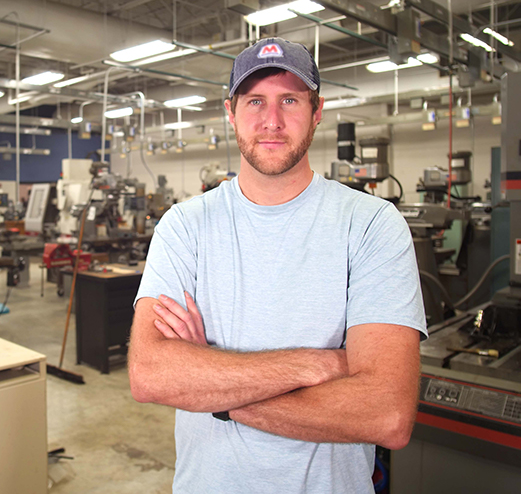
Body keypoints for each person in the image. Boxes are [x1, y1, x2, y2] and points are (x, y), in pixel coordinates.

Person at [128, 37, 427, 493]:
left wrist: (215, 389)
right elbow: (151, 375)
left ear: (317, 109)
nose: (271, 120)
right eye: (254, 101)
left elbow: (386, 414)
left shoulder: (371, 225)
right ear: (230, 112)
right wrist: (319, 364)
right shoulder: (185, 226)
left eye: (289, 99)